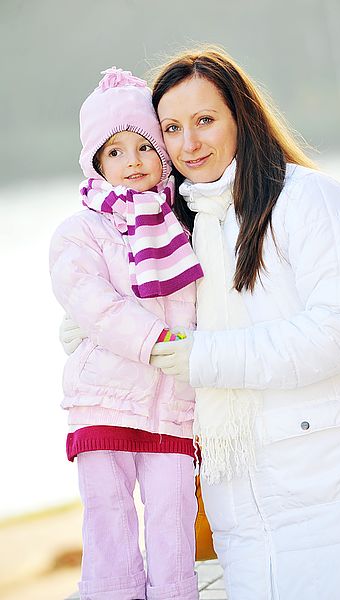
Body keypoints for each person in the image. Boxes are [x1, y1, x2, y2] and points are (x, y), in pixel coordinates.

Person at [62, 49, 340, 599]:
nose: (189, 143)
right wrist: (94, 324)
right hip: (240, 504)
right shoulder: (181, 228)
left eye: (204, 120)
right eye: (170, 128)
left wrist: (203, 356)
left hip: (334, 487)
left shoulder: (309, 198)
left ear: (240, 116)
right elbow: (153, 307)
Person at [49, 67, 202, 600]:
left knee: (173, 517)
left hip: (174, 406)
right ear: (95, 161)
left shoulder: (185, 224)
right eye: (114, 152)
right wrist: (161, 342)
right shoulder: (80, 230)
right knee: (108, 516)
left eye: (143, 147)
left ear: (162, 152)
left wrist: (203, 353)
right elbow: (94, 304)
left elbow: (210, 302)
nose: (131, 163)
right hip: (104, 398)